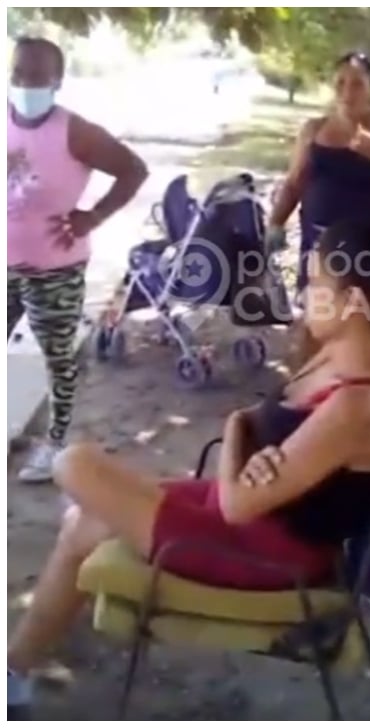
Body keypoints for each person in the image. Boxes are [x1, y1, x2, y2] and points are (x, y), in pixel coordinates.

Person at [7, 214, 370, 719]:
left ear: (356, 304)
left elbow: (238, 497)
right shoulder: (342, 356)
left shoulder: (357, 403)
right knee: (82, 523)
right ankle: (16, 669)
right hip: (253, 515)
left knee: (73, 464)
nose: (304, 295)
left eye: (317, 283)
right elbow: (258, 442)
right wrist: (249, 447)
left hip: (271, 551)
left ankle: (18, 666)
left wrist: (237, 431)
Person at [7, 37, 149, 483]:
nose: (24, 84)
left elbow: (134, 169)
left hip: (56, 268)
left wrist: (95, 215)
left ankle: (54, 442)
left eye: (36, 77)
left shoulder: (75, 131)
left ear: (56, 82)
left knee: (56, 356)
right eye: (17, 74)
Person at [266, 51, 370, 361]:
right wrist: (276, 223)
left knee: (367, 332)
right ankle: (307, 401)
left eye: (357, 84)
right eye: (340, 83)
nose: (347, 92)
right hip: (320, 247)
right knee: (315, 330)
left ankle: (363, 400)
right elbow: (295, 182)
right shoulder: (314, 129)